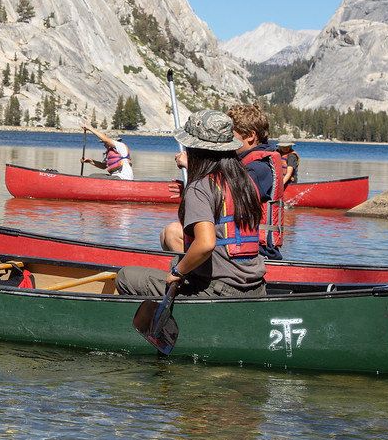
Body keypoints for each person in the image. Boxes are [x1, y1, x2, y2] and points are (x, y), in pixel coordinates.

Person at [116, 110, 266, 299]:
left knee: (125, 277)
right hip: (256, 287)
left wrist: (178, 272)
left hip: (219, 290)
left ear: (195, 149)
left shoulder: (201, 187)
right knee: (175, 260)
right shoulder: (246, 181)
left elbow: (206, 244)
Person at [227, 104, 285, 260]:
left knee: (174, 233)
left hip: (257, 251)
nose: (226, 141)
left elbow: (228, 200)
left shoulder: (258, 169)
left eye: (231, 135)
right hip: (242, 244)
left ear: (250, 136)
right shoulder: (246, 163)